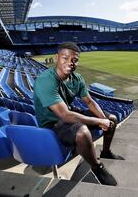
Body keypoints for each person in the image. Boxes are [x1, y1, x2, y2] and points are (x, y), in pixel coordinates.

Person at [33, 42, 123, 186]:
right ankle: (97, 167)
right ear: (56, 57)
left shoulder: (77, 78)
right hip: (51, 122)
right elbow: (64, 115)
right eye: (65, 58)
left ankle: (105, 152)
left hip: (69, 113)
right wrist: (99, 122)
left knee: (111, 118)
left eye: (74, 60)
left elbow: (90, 102)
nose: (70, 63)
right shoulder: (46, 80)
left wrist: (103, 119)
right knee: (82, 132)